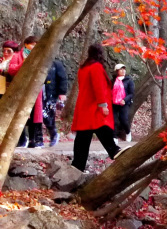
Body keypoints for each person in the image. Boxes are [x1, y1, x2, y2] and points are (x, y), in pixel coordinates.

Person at [70, 43, 121, 171]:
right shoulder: (96, 67)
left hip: (84, 105)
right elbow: (99, 88)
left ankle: (77, 165)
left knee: (83, 137)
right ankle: (113, 150)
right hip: (94, 105)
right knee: (102, 128)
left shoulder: (83, 68)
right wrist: (103, 105)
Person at [3, 38, 45, 147]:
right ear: (26, 45)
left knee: (34, 115)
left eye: (36, 45)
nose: (34, 47)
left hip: (34, 89)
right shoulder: (17, 56)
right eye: (32, 44)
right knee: (20, 114)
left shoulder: (40, 57)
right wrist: (23, 64)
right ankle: (22, 139)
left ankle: (33, 140)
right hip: (21, 89)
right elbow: (11, 70)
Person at [43, 57, 68, 146]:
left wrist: (62, 92)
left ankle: (53, 133)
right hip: (38, 93)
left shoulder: (56, 64)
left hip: (51, 94)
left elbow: (63, 78)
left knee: (47, 115)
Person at [111, 63, 135, 142]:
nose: (123, 70)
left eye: (124, 69)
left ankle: (128, 132)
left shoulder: (129, 80)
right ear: (117, 71)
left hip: (124, 102)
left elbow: (131, 93)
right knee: (114, 120)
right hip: (114, 102)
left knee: (123, 120)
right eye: (121, 69)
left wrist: (124, 100)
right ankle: (114, 137)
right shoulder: (113, 81)